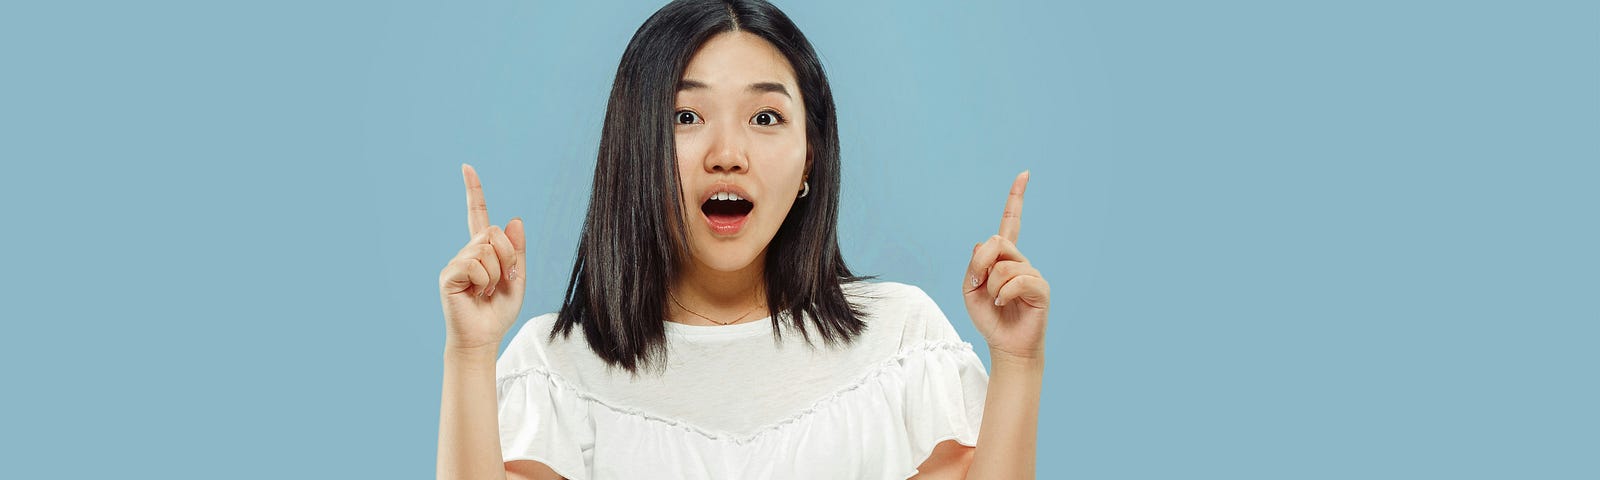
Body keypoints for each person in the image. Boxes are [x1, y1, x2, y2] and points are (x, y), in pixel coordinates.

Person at [436, 1, 1050, 479]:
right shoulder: (556, 366)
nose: (727, 155)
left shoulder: (900, 344)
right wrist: (469, 353)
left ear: (810, 157)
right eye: (685, 117)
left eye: (765, 118)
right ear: (634, 148)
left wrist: (1018, 362)